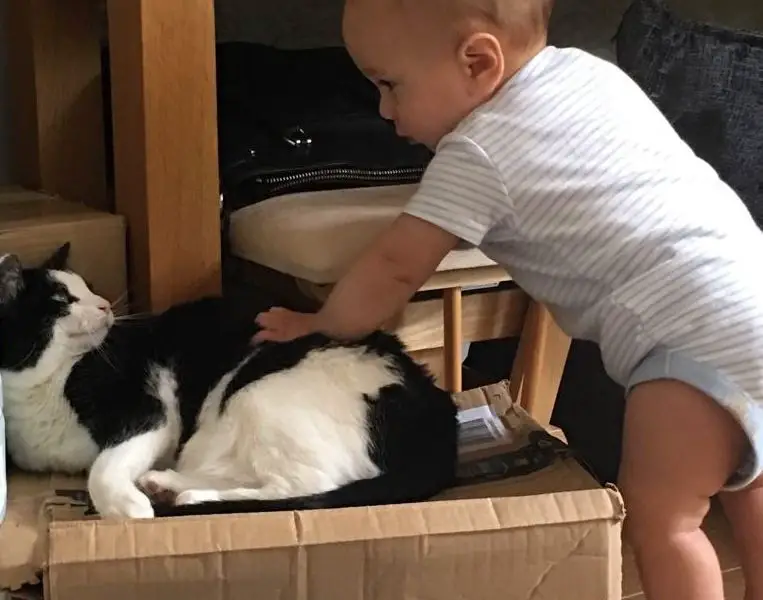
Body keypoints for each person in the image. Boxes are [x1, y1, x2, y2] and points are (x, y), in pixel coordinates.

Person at [253, 0, 763, 598]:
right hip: (747, 286)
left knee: (666, 519)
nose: (384, 109)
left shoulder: (478, 150)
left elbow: (396, 267)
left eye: (390, 85)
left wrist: (322, 324)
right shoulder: (589, 72)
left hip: (691, 338)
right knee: (749, 486)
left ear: (478, 61)